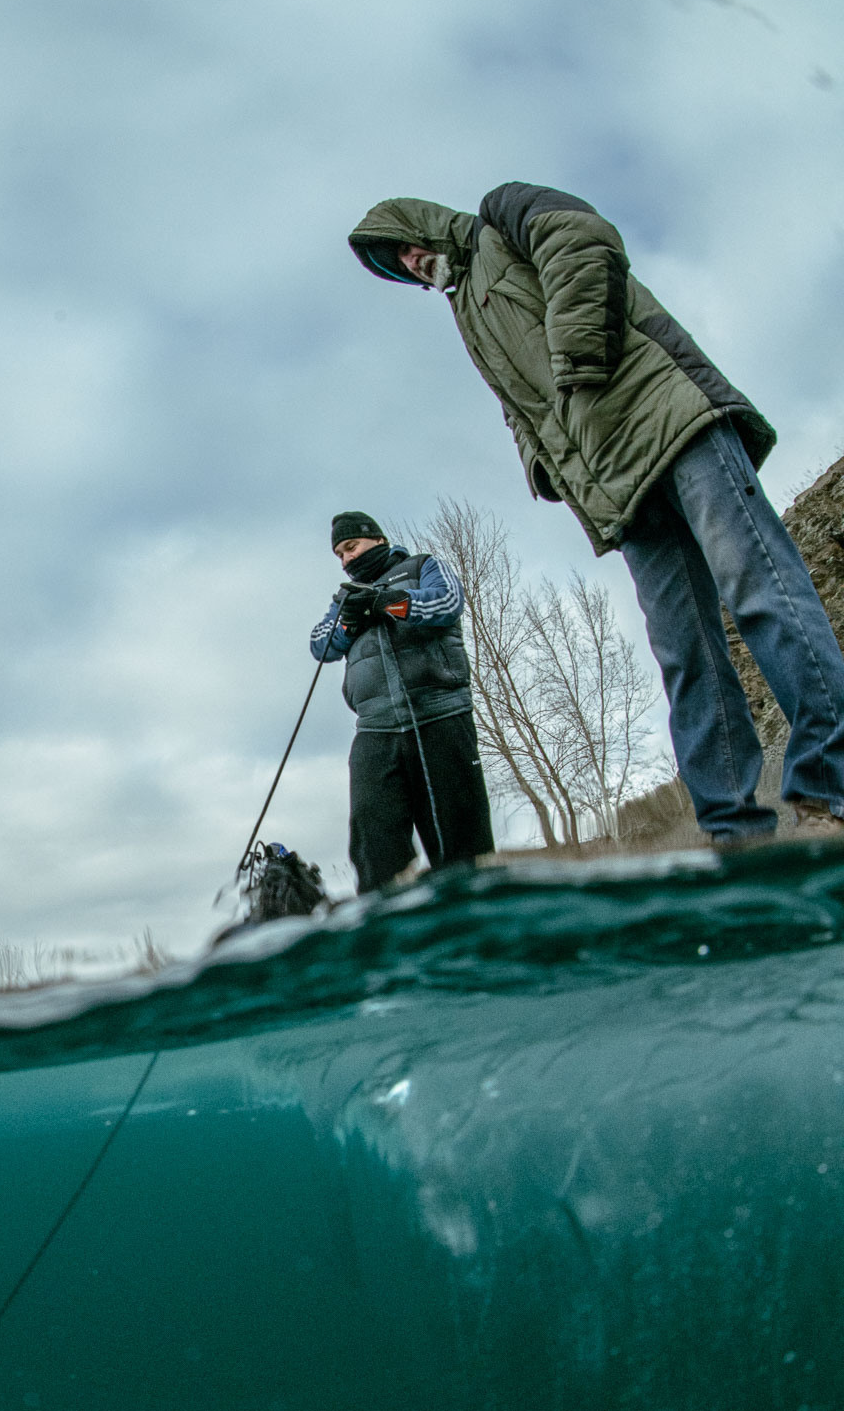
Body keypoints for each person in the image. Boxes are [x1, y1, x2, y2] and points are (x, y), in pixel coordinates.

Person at [347, 182, 844, 846]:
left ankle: (830, 785)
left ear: (426, 226)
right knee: (683, 652)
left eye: (407, 247)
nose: (411, 263)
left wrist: (578, 363)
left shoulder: (503, 215)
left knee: (759, 590)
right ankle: (734, 832)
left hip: (674, 423)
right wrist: (546, 470)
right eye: (396, 265)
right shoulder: (465, 312)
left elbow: (582, 241)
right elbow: (519, 409)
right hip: (616, 485)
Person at [311, 509, 494, 892]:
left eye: (351, 547)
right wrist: (349, 620)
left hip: (440, 715)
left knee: (460, 849)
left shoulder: (422, 565)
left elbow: (448, 601)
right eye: (340, 555)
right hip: (376, 729)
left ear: (377, 539)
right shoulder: (343, 599)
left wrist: (388, 603)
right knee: (372, 844)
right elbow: (319, 645)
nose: (346, 560)